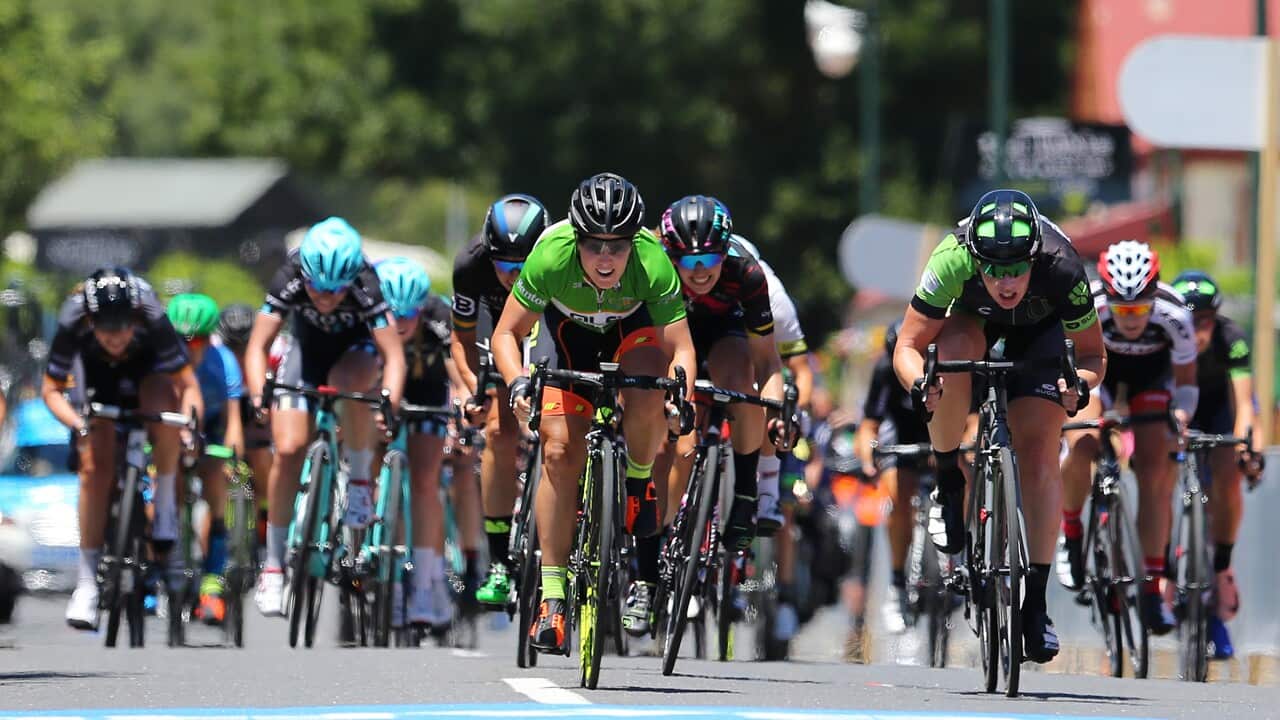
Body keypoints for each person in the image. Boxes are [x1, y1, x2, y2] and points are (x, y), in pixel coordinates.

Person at [892, 189, 1105, 663]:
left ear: (1035, 256)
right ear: (974, 257)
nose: (1005, 282)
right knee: (950, 355)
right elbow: (907, 346)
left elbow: (1093, 356)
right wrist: (920, 384)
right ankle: (949, 478)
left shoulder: (1062, 266)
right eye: (992, 269)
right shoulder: (951, 257)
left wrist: (1079, 385)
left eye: (1016, 269)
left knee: (1039, 453)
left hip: (1041, 336)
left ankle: (1036, 606)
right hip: (973, 325)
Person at [492, 172, 696, 653]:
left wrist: (680, 395)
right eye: (594, 246)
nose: (606, 258)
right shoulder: (550, 254)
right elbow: (506, 334)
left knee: (647, 396)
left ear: (633, 243)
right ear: (576, 239)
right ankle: (553, 596)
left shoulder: (652, 262)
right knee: (559, 452)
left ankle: (638, 479)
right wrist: (517, 381)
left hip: (632, 333)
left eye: (617, 246)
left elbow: (682, 348)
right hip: (566, 338)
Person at [245, 217, 406, 617]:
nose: (325, 298)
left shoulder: (366, 281)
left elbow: (394, 356)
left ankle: (359, 480)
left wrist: (389, 402)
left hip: (355, 354)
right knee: (288, 450)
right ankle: (273, 567)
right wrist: (259, 392)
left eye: (336, 290)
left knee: (349, 382)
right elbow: (258, 345)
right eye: (317, 288)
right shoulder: (290, 273)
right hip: (306, 353)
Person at [651, 196, 789, 638]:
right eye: (688, 261)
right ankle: (660, 537)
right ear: (670, 253)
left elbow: (768, 362)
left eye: (709, 259)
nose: (699, 271)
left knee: (743, 388)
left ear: (724, 252)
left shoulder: (747, 272)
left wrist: (775, 410)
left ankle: (745, 492)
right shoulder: (653, 264)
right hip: (672, 330)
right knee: (679, 445)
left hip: (727, 331)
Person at [42, 268, 204, 630]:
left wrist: (188, 428)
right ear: (90, 320)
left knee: (166, 411)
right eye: (105, 327)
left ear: (136, 317)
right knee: (93, 468)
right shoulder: (72, 319)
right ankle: (86, 583)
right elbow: (50, 391)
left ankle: (164, 504)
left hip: (149, 375)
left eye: (123, 326)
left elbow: (188, 386)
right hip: (97, 382)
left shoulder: (152, 315)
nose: (115, 336)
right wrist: (79, 425)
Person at [1059, 241, 1195, 637]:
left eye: (1138, 310)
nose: (1131, 320)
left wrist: (1181, 415)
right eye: (1122, 310)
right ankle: (1071, 532)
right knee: (1082, 442)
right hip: (1097, 374)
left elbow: (1187, 385)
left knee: (1155, 471)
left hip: (1151, 381)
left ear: (1154, 297)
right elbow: (1067, 364)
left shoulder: (1176, 314)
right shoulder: (1088, 305)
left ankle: (1151, 588)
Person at [450, 193, 552, 611]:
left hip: (549, 326)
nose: (514, 275)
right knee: (497, 430)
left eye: (523, 266)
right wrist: (473, 390)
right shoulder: (470, 264)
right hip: (498, 331)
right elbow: (462, 339)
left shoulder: (559, 259)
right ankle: (498, 562)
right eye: (504, 265)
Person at [1171, 270, 1265, 659]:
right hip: (1176, 409)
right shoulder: (1165, 335)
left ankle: (1222, 564)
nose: (1198, 330)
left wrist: (1249, 450)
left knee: (1229, 476)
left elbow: (1245, 406)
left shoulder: (1232, 338)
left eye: (1206, 320)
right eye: (1190, 321)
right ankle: (1164, 566)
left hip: (1219, 411)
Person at [375, 257, 456, 627]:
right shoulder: (367, 314)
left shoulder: (439, 317)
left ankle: (423, 583)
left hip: (428, 391)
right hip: (380, 388)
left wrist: (463, 408)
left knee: (425, 480)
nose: (402, 322)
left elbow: (460, 372)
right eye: (394, 314)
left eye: (410, 314)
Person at [166, 293, 245, 626]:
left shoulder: (223, 361)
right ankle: (161, 568)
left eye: (197, 340)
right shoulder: (162, 359)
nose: (189, 347)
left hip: (211, 427)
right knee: (164, 487)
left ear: (210, 337)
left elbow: (233, 420)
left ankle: (213, 578)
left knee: (215, 478)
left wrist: (232, 457)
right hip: (174, 424)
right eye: (181, 340)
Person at [855, 320, 925, 634]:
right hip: (902, 436)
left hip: (943, 430)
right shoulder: (884, 371)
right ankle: (897, 582)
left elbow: (972, 419)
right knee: (897, 493)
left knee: (964, 471)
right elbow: (869, 426)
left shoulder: (945, 362)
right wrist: (868, 459)